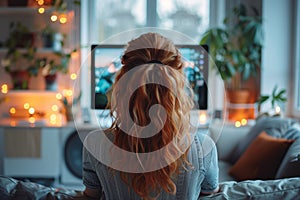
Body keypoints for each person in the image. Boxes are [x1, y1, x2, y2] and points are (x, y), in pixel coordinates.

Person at [82, 32, 219, 200]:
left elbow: (90, 197)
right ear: (177, 86)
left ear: (123, 84)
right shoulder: (204, 148)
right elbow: (210, 196)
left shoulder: (94, 143)